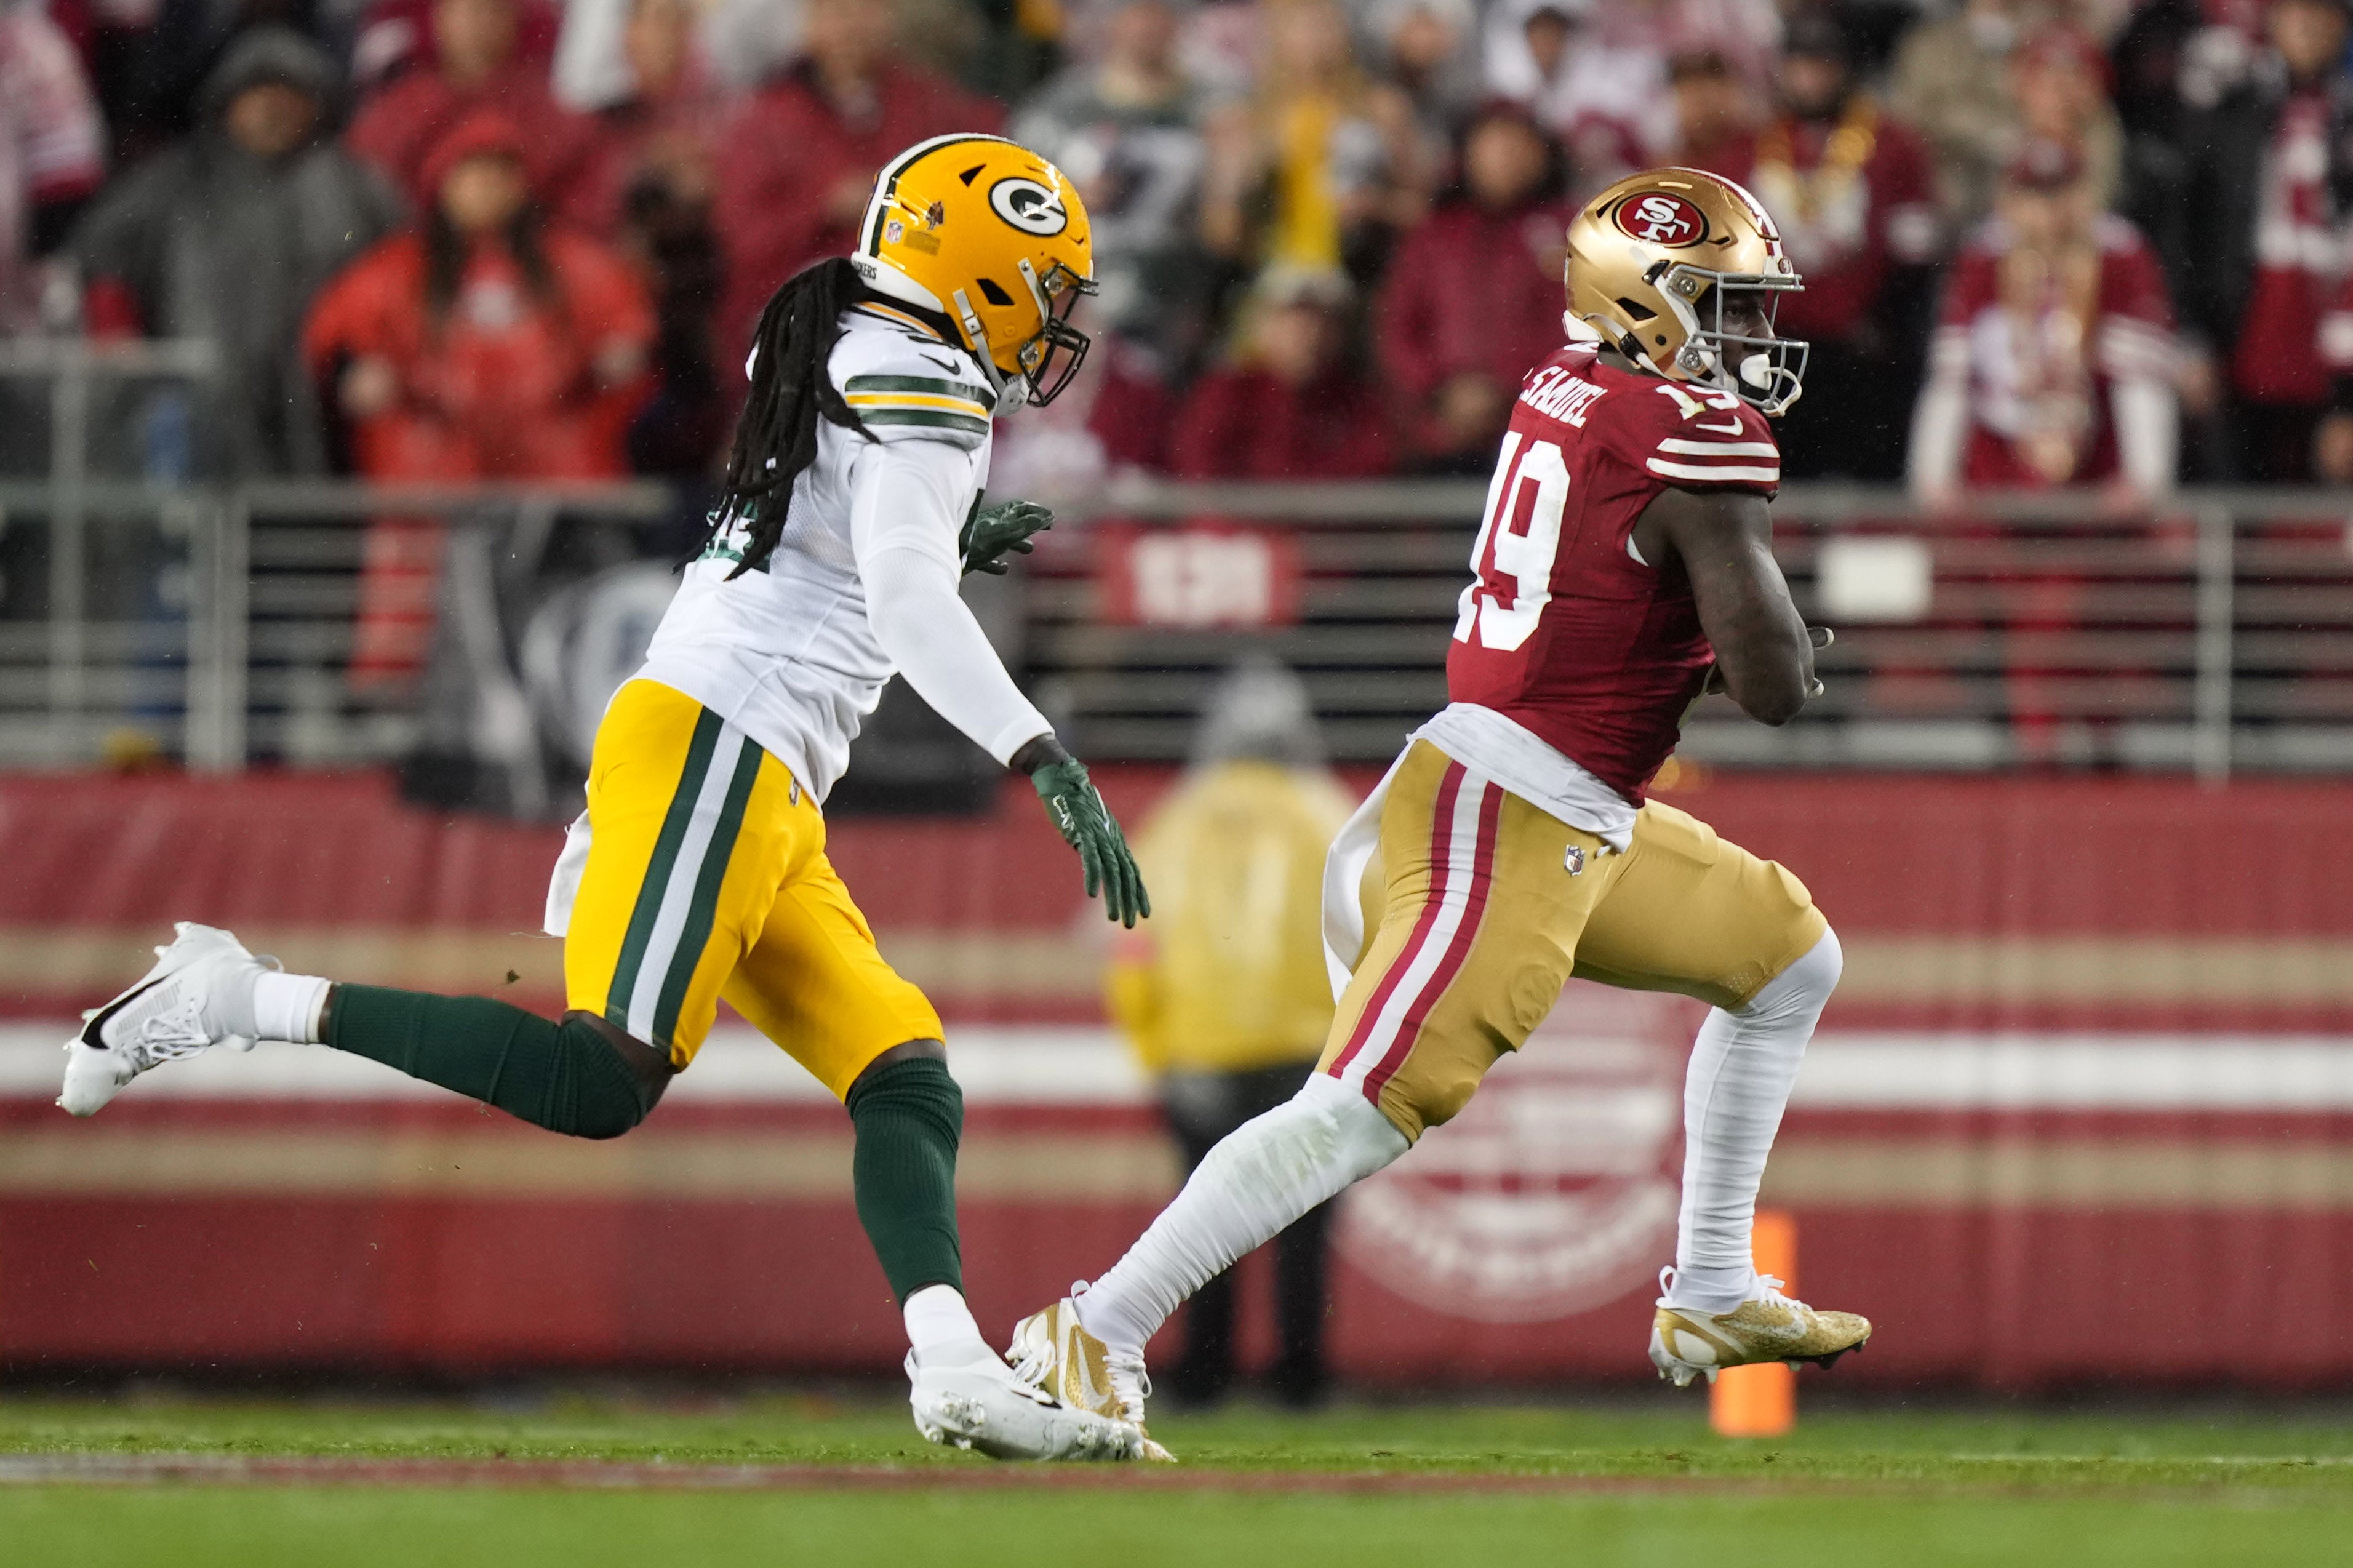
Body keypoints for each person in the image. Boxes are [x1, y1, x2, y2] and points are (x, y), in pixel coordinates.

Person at [59, 132, 1158, 1463]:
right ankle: (234, 995)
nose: (1052, 326)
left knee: (905, 1075)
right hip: (722, 744)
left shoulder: (846, 322)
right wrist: (1036, 748)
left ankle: (951, 1364)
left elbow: (851, 529)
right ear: (974, 274)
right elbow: (906, 591)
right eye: (1041, 289)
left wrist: (938, 528)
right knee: (600, 1076)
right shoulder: (919, 373)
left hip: (744, 761)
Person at [1007, 169, 1866, 1455]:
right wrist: (1793, 634)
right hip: (1509, 810)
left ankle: (1707, 1286)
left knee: (1788, 956)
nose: (1749, 338)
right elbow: (1774, 685)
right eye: (1724, 306)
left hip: (1566, 799)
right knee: (1355, 1110)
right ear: (1643, 304)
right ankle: (1097, 1324)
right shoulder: (1688, 439)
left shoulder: (1562, 383)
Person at [303, 111, 654, 683]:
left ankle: (564, 703)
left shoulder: (572, 264)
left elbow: (629, 330)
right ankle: (406, 716)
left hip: (552, 476)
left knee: (556, 614)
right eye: (474, 174)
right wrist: (357, 371)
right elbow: (337, 333)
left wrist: (622, 358)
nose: (489, 189)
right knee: (418, 617)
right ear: (443, 184)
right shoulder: (399, 268)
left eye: (501, 174)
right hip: (433, 473)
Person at [1105, 660, 1356, 1409]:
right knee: (1304, 1230)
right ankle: (1301, 1377)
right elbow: (1376, 933)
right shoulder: (1332, 813)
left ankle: (1201, 1376)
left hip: (1199, 1051)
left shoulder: (1175, 819)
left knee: (1203, 1225)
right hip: (1309, 1058)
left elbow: (1131, 943)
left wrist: (1156, 1050)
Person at [75, 28, 404, 479]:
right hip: (200, 403)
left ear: (318, 104)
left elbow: (405, 274)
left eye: (287, 95)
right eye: (255, 95)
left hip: (329, 416)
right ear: (225, 102)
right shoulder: (176, 181)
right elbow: (102, 255)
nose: (270, 110)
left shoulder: (356, 189)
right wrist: (117, 332)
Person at [1692, 10, 1940, 479]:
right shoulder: (1746, 149)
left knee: (1866, 500)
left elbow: (1917, 258)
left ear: (1847, 70)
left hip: (1863, 358)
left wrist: (1887, 332)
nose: (1811, 79)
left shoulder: (1894, 147)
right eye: (1801, 65)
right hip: (1765, 356)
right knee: (1772, 487)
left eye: (1823, 66)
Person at [716, 0, 1002, 372]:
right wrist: (822, 208)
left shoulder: (926, 103)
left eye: (866, 9)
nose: (852, 25)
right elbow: (740, 240)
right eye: (837, 11)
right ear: (810, 22)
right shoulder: (766, 118)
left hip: (920, 308)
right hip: (804, 317)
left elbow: (989, 168)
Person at [1907, 140, 2177, 506]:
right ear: (2010, 200)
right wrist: (1933, 477)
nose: (2049, 210)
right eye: (2035, 193)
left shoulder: (2120, 257)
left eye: (2060, 192)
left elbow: (2142, 379)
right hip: (1995, 465)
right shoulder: (1982, 259)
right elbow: (1951, 378)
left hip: (2095, 469)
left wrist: (2146, 477)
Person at [2175, 0, 2353, 481]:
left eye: (2325, 15)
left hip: (2334, 348)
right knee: (2237, 503)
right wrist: (2191, 335)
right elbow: (2194, 227)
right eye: (2298, 13)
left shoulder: (2344, 113)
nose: (2310, 27)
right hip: (2243, 338)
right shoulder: (2233, 111)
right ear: (2274, 20)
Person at [1011, 0, 1209, 370]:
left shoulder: (1209, 109)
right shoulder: (1057, 108)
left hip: (1168, 305)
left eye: (1160, 12)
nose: (1148, 25)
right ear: (1112, 19)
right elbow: (1007, 207)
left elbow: (1222, 229)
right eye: (1137, 11)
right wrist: (1068, 200)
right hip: (1069, 302)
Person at [1381, 100, 1576, 473]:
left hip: (1536, 436)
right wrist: (1440, 390)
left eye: (1519, 146)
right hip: (1435, 435)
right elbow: (1399, 328)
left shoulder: (1568, 234)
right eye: (1493, 146)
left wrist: (1504, 390)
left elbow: (1573, 328)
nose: (1506, 158)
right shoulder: (1434, 234)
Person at [346, 0, 602, 227]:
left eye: (494, 10)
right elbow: (367, 187)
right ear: (438, 18)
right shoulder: (400, 107)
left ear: (515, 21)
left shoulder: (551, 111)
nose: (479, 22)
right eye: (467, 9)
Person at [1171, 264, 1396, 479]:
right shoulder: (1227, 392)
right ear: (1261, 324)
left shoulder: (1357, 401)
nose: (1310, 334)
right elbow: (1199, 469)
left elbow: (1373, 469)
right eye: (1294, 319)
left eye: (1325, 321)